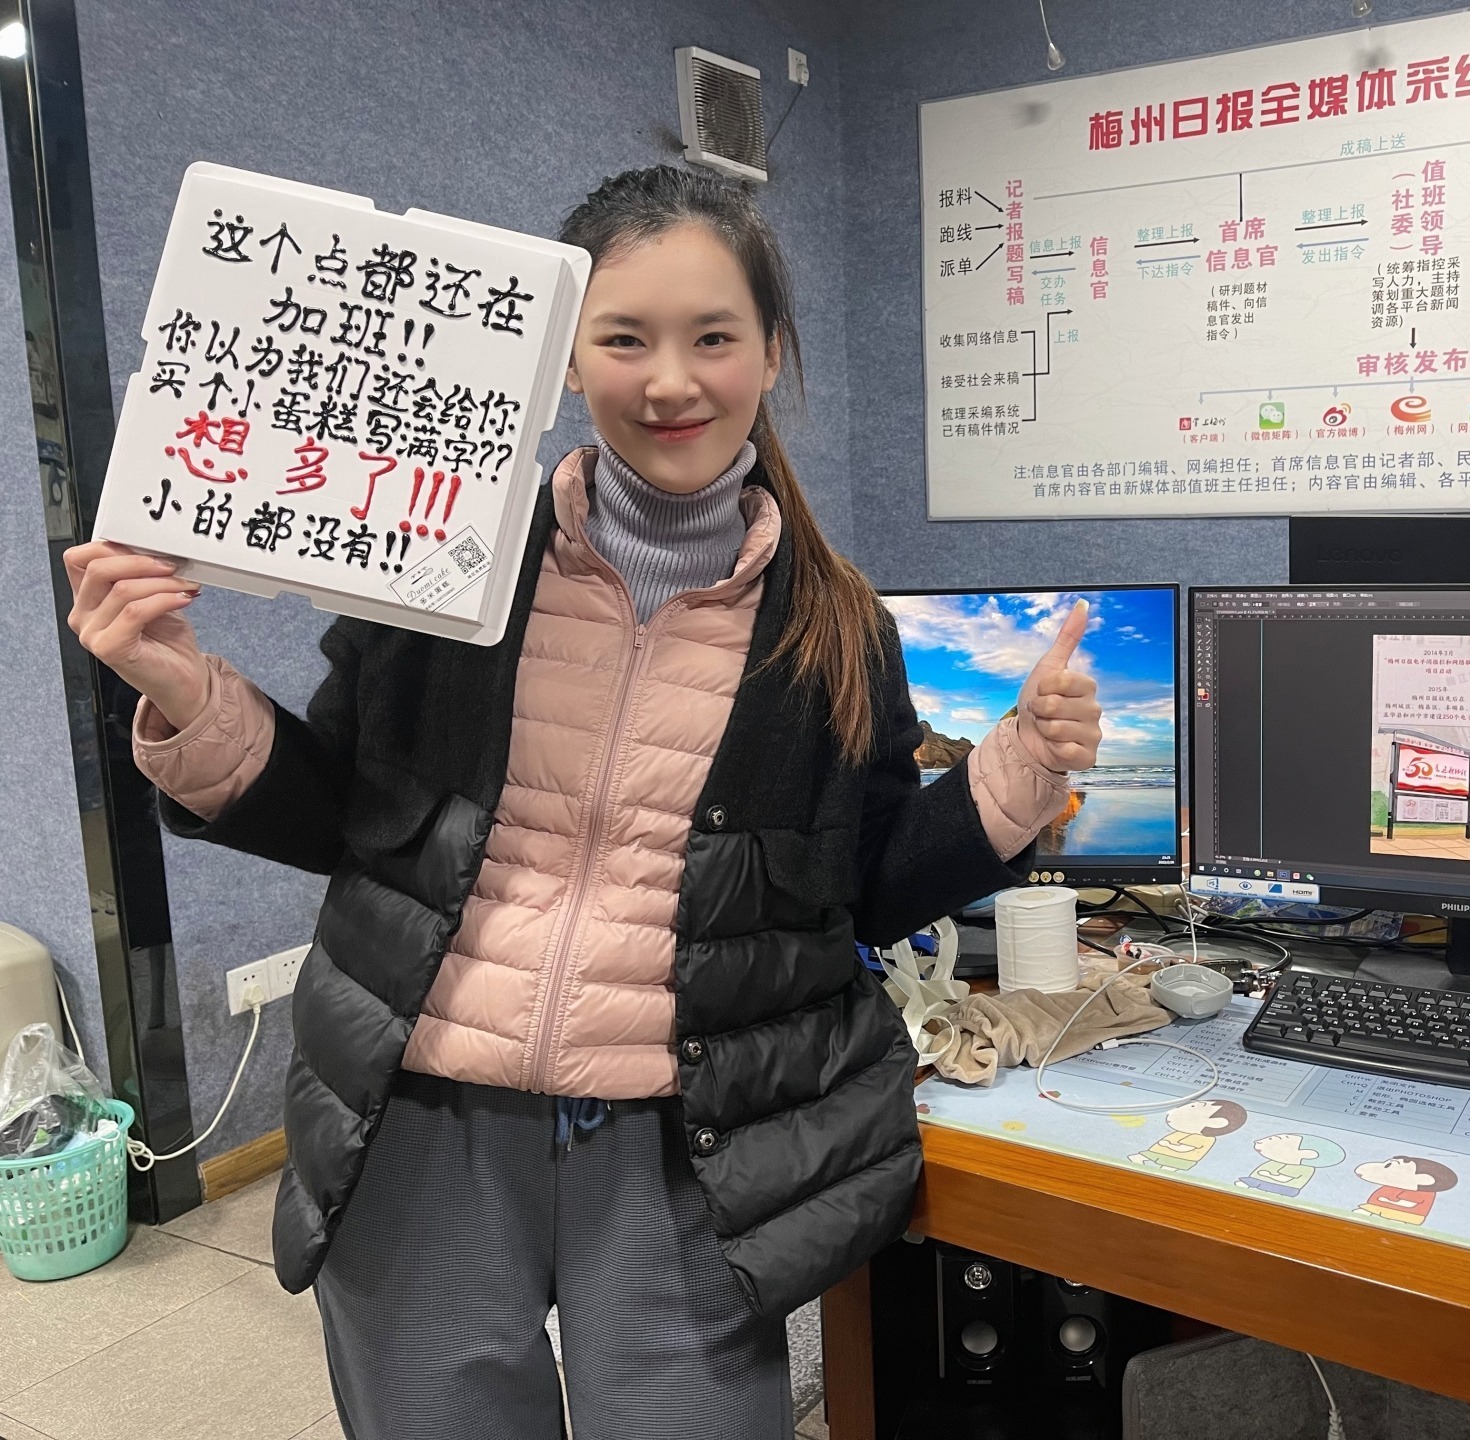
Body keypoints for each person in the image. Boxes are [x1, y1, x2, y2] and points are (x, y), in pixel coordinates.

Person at [62, 165, 1103, 1440]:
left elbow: (864, 891)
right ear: (563, 353)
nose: (670, 381)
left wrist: (1016, 771)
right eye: (623, 338)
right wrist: (185, 692)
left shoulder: (835, 628)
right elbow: (340, 815)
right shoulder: (450, 565)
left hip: (690, 1137)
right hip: (421, 1107)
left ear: (771, 353)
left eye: (712, 337)